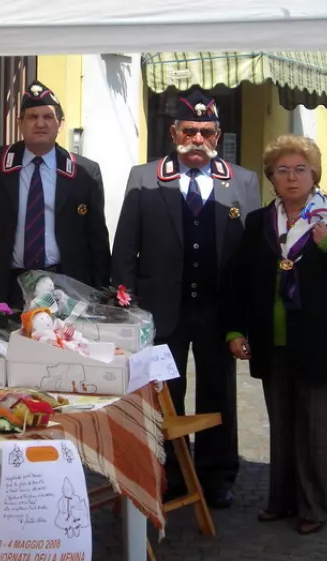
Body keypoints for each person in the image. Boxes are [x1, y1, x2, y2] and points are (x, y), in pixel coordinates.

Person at [112, 90, 261, 509]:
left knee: (218, 394)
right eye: (189, 130)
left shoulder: (243, 180)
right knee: (165, 395)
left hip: (218, 309)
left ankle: (218, 475)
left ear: (218, 136)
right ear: (174, 132)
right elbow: (125, 247)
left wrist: (245, 317)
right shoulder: (144, 177)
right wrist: (126, 310)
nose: (197, 139)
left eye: (206, 132)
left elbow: (251, 253)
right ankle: (171, 472)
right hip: (161, 309)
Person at [224, 134, 327, 534]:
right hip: (270, 339)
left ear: (314, 175)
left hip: (318, 340)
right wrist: (235, 328)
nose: (291, 178)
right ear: (271, 178)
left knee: (314, 427)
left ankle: (313, 507)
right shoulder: (260, 221)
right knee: (281, 425)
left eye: (300, 170)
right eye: (282, 171)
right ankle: (281, 500)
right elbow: (240, 281)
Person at [0, 80, 111, 308]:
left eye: (48, 117)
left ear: (59, 123)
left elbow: (97, 237)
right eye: (32, 117)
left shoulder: (84, 172)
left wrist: (102, 294)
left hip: (65, 287)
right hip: (6, 286)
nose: (40, 123)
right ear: (20, 123)